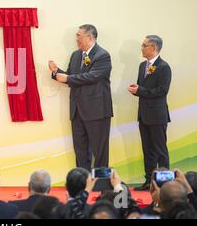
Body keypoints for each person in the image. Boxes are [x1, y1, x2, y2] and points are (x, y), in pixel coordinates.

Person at [49, 24, 113, 170]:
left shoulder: (102, 55)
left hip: (97, 111)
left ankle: (101, 183)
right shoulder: (76, 55)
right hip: (77, 111)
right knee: (80, 150)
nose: (76, 39)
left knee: (99, 150)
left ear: (90, 37)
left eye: (79, 35)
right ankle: (82, 180)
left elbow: (92, 77)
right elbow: (71, 77)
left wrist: (67, 78)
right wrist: (56, 72)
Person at [128, 35, 172, 191]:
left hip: (158, 116)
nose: (141, 47)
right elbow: (144, 88)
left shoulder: (164, 67)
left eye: (144, 45)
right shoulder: (142, 65)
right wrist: (136, 89)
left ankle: (165, 184)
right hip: (144, 115)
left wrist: (141, 90)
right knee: (147, 150)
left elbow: (162, 91)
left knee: (160, 150)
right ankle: (149, 181)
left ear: (153, 48)